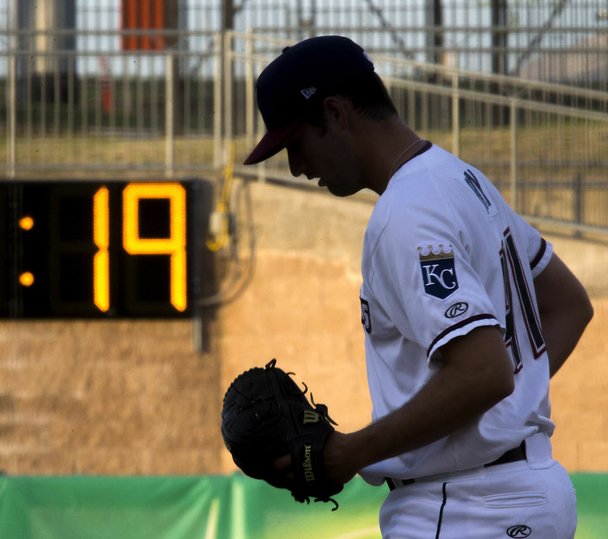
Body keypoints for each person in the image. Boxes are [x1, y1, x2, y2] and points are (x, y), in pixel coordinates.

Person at [244, 35, 593, 538]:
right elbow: (568, 305)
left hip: (468, 506)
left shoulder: (406, 214)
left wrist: (350, 453)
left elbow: (484, 372)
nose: (297, 167)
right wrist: (505, 413)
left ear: (336, 112)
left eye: (295, 143)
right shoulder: (461, 180)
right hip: (517, 492)